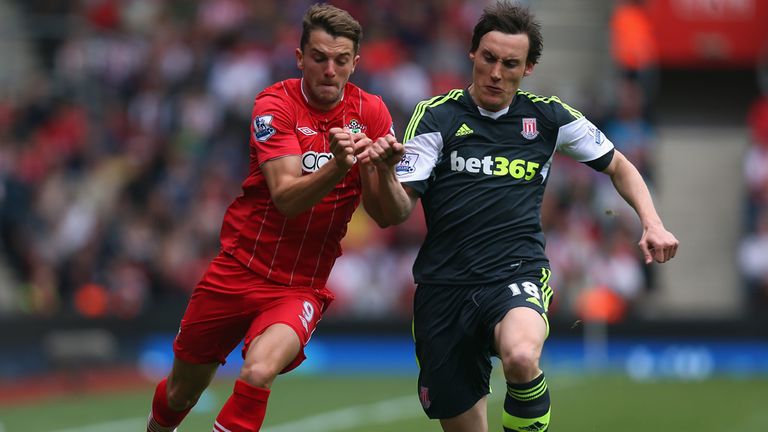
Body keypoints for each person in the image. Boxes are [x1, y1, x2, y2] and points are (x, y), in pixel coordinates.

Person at [376, 2, 679, 431]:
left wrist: (652, 222)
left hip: (515, 274)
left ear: (529, 68)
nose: (497, 72)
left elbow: (619, 164)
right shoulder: (436, 117)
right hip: (444, 287)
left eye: (510, 63)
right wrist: (382, 173)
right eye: (489, 59)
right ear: (472, 56)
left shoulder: (548, 117)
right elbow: (398, 207)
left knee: (521, 355)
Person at [145, 4, 405, 432]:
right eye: (319, 57)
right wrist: (339, 165)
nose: (329, 69)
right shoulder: (273, 104)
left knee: (259, 371)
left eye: (341, 60)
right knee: (181, 393)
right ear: (300, 57)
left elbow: (387, 215)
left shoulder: (373, 113)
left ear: (355, 63)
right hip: (239, 269)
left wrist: (385, 170)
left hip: (300, 285)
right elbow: (285, 197)